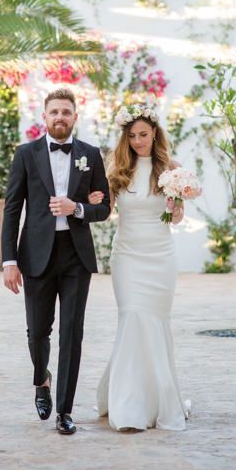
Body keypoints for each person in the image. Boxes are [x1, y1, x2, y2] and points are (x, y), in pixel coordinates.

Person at [1, 87, 111, 435]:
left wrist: (77, 208)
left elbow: (104, 207)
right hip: (36, 255)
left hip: (76, 255)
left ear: (75, 117)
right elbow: (12, 210)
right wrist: (9, 260)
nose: (60, 117)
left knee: (72, 334)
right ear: (44, 117)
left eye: (66, 111)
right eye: (54, 112)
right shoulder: (26, 154)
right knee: (37, 333)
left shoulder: (90, 155)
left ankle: (65, 410)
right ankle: (41, 379)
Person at [91, 103, 190, 431]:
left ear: (155, 133)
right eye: (131, 135)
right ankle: (128, 405)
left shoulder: (170, 168)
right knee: (132, 317)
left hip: (160, 256)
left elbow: (175, 219)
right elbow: (106, 210)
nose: (137, 141)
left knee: (156, 323)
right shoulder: (117, 168)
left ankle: (156, 400)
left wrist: (176, 202)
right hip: (128, 256)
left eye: (143, 134)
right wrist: (92, 202)